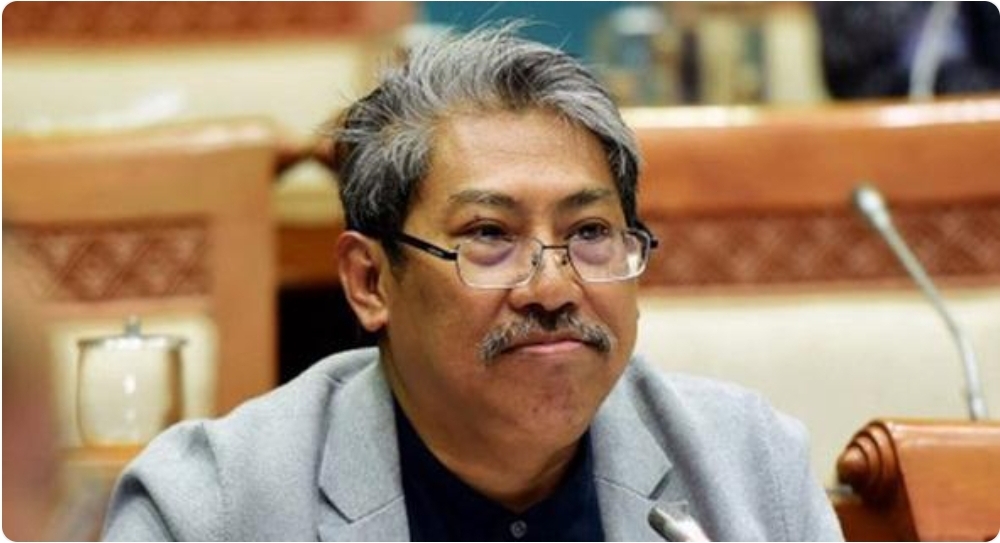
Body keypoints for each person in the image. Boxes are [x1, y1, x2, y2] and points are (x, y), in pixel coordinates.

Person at [102, 24, 843, 541]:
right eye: (490, 235)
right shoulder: (210, 510)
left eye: (589, 233)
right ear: (370, 281)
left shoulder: (750, 469)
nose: (552, 287)